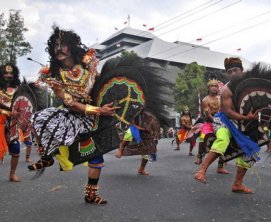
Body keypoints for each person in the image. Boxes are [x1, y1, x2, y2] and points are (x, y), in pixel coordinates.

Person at [28, 27, 118, 204]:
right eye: (55, 46)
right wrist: (99, 111)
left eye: (63, 45)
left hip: (95, 115)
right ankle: (47, 156)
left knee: (96, 155)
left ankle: (91, 194)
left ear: (71, 47)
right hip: (71, 116)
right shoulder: (54, 75)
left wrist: (108, 106)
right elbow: (70, 103)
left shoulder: (87, 64)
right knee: (39, 119)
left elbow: (100, 85)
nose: (58, 49)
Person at [194, 57, 259, 193]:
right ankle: (201, 170)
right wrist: (246, 117)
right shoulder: (226, 90)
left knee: (249, 150)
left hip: (244, 122)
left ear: (242, 70)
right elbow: (228, 112)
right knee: (223, 139)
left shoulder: (250, 86)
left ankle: (238, 184)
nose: (233, 73)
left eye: (236, 70)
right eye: (229, 72)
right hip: (223, 120)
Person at [194, 75, 229, 174]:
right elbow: (208, 115)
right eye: (212, 86)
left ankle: (220, 166)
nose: (214, 87)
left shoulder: (220, 98)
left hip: (222, 120)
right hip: (210, 122)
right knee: (203, 136)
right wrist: (217, 121)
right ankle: (200, 155)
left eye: (216, 86)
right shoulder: (205, 100)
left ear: (218, 88)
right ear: (209, 88)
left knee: (226, 140)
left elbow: (225, 110)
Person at [115, 111, 159, 175]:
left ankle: (141, 169)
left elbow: (153, 124)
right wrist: (144, 129)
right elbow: (132, 125)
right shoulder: (132, 113)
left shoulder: (148, 116)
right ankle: (121, 148)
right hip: (135, 130)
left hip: (145, 134)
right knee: (130, 132)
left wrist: (153, 132)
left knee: (146, 152)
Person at [0, 63, 21, 181]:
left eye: (11, 73)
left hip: (13, 123)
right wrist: (7, 113)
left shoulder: (18, 89)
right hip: (0, 121)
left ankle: (12, 174)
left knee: (16, 148)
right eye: (6, 73)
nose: (8, 75)